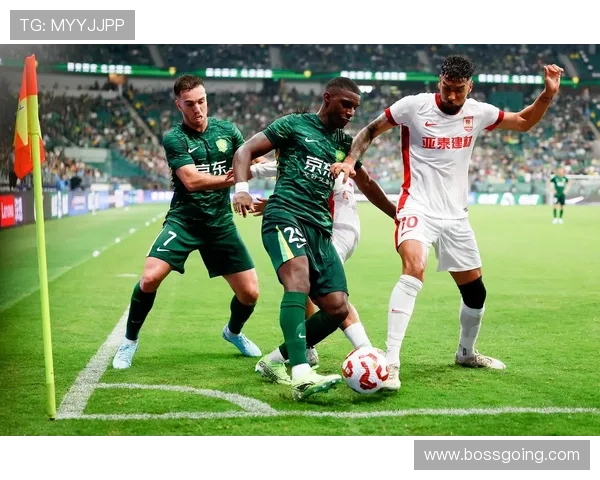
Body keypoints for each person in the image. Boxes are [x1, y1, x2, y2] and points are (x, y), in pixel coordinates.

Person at [332, 55, 563, 391]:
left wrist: (548, 94)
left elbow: (524, 121)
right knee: (414, 269)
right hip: (417, 206)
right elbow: (370, 130)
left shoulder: (478, 113)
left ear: (470, 87)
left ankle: (466, 353)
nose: (452, 96)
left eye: (459, 90)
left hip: (456, 216)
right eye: (446, 88)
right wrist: (351, 160)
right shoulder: (413, 106)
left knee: (476, 293)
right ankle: (391, 362)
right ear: (439, 82)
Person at [112, 74, 262, 370]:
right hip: (184, 222)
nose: (198, 109)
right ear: (178, 104)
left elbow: (253, 161)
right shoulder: (174, 138)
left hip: (220, 224)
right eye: (190, 104)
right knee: (150, 278)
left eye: (202, 101)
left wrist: (279, 165)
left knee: (250, 293)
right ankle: (129, 341)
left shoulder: (227, 130)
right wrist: (232, 181)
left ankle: (233, 332)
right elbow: (191, 181)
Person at [231, 77, 361, 401]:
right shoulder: (294, 125)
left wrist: (394, 212)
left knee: (337, 307)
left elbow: (365, 179)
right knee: (298, 282)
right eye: (346, 104)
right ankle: (301, 375)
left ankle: (274, 360)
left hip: (321, 229)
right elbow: (245, 150)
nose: (350, 112)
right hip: (284, 215)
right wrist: (242, 190)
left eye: (355, 108)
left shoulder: (344, 144)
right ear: (327, 98)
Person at [249, 156, 396, 376]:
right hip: (344, 227)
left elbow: (298, 174)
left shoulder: (311, 153)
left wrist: (253, 172)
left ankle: (364, 350)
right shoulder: (337, 151)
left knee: (327, 294)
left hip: (330, 228)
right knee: (306, 287)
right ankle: (309, 349)